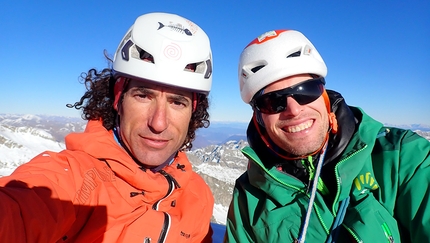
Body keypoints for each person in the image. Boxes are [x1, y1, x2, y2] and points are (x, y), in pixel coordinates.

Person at [0, 12, 215, 242]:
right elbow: (20, 210)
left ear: (192, 113)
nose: (158, 123)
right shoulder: (75, 178)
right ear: (118, 99)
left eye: (177, 102)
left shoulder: (199, 196)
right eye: (143, 96)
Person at [224, 29, 430, 243]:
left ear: (324, 95)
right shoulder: (249, 199)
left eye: (306, 90)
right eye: (272, 101)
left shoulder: (401, 157)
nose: (293, 110)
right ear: (258, 117)